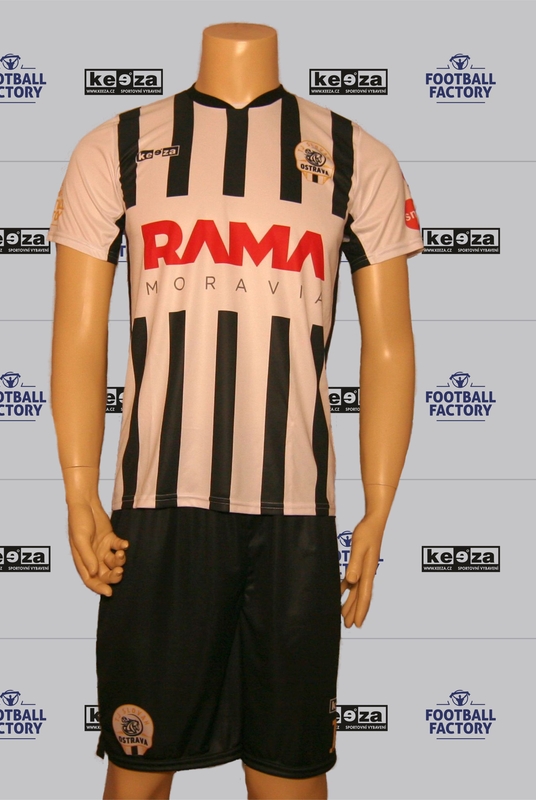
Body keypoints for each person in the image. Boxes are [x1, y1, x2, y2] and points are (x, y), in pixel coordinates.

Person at [50, 22, 422, 800]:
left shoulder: (356, 156)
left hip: (296, 522)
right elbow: (78, 337)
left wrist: (379, 509)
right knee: (138, 773)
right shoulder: (116, 148)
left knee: (292, 778)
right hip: (157, 513)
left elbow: (389, 347)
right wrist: (79, 489)